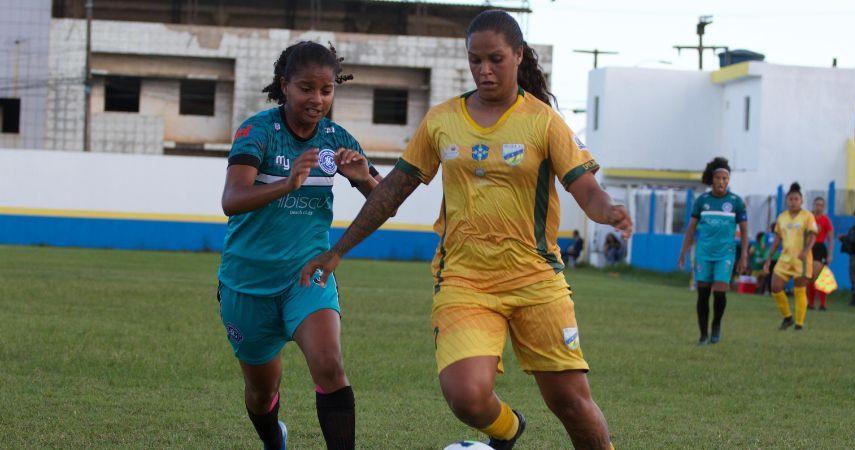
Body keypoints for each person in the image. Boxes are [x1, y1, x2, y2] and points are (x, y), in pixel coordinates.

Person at [298, 10, 632, 450]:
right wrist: (338, 250)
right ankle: (510, 431)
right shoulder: (441, 121)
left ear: (518, 56)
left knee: (569, 400)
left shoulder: (544, 122)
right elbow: (391, 192)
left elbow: (587, 190)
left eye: (495, 59)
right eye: (475, 60)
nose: (484, 70)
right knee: (465, 396)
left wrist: (609, 211)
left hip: (536, 280)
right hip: (464, 280)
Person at [217, 41, 381, 450]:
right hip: (248, 282)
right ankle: (275, 438)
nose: (317, 99)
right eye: (307, 88)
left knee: (330, 366)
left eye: (326, 90)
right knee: (260, 391)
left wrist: (363, 179)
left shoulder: (337, 139)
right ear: (284, 85)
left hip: (307, 276)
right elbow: (231, 200)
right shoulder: (258, 132)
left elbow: (383, 201)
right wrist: (286, 184)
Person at [677, 157, 748, 345]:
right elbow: (691, 228)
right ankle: (703, 334)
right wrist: (684, 251)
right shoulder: (702, 201)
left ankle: (716, 326)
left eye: (725, 178)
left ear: (728, 180)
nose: (722, 182)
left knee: (719, 292)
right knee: (703, 293)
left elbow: (746, 231)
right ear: (712, 179)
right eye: (718, 178)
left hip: (725, 253)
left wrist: (744, 256)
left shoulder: (736, 202)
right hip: (703, 253)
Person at [763, 183, 817, 330]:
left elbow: (813, 236)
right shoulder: (782, 217)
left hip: (802, 260)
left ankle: (799, 324)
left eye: (796, 199)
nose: (793, 202)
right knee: (775, 287)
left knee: (799, 290)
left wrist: (806, 251)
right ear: (786, 200)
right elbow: (777, 239)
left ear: (801, 201)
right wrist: (769, 258)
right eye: (790, 199)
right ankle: (787, 317)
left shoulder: (807, 216)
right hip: (785, 259)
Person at [807, 197, 834, 310]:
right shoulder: (808, 218)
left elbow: (831, 239)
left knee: (819, 275)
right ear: (813, 205)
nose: (819, 207)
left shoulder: (826, 220)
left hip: (819, 248)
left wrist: (830, 254)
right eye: (817, 204)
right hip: (808, 247)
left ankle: (822, 303)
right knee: (809, 276)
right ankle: (811, 303)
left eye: (821, 205)